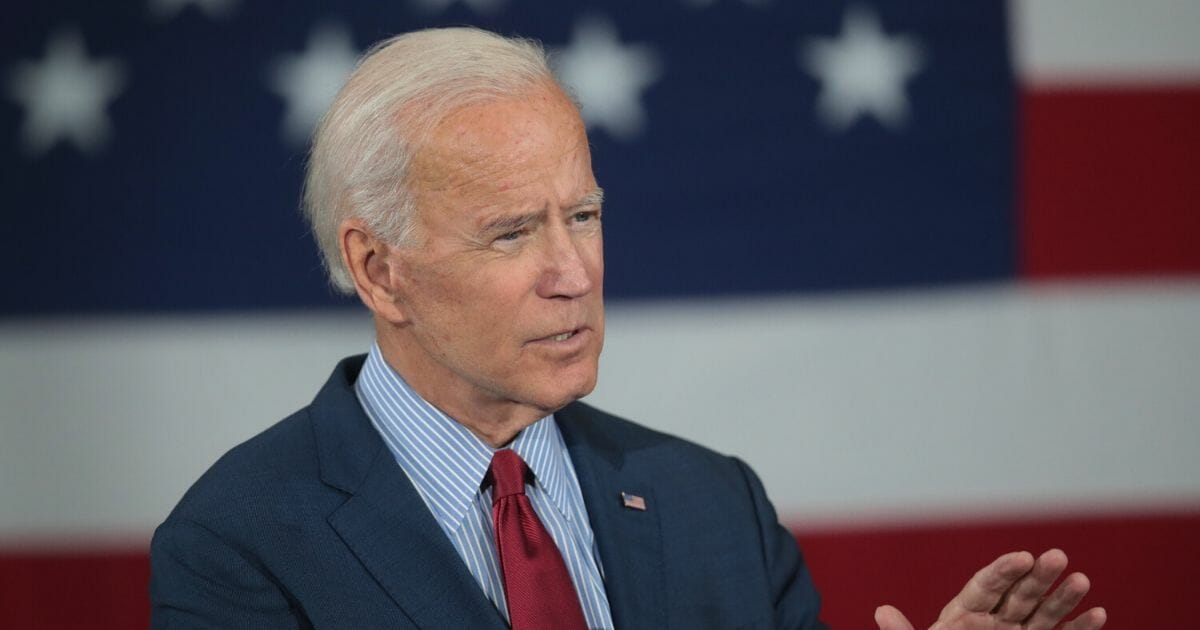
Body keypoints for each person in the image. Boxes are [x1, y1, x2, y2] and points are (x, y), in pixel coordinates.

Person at [150, 27, 1107, 630]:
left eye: (585, 216)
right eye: (513, 232)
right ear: (378, 269)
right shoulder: (240, 543)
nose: (574, 274)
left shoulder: (713, 506)